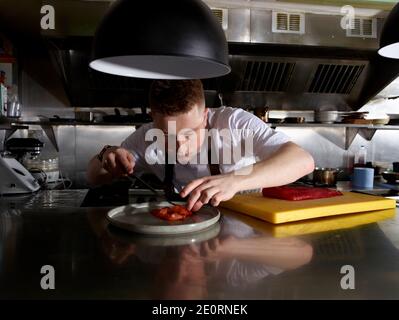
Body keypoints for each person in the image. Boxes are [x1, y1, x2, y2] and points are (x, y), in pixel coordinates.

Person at [87, 80, 314, 211]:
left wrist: (235, 180)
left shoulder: (234, 122)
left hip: (246, 238)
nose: (180, 147)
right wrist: (107, 155)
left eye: (189, 134)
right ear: (152, 118)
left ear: (205, 115)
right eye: (167, 134)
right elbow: (94, 177)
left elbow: (302, 161)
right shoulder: (147, 136)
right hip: (184, 239)